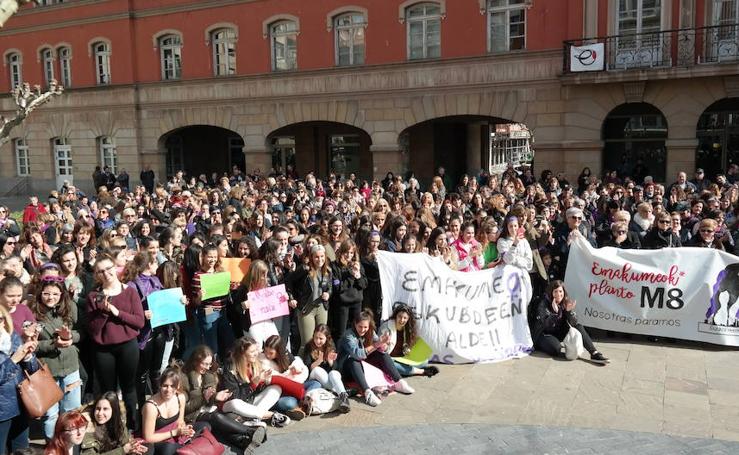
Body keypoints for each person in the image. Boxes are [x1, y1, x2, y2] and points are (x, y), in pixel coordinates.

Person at [86, 255, 145, 431]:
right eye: (101, 271)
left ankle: (134, 426)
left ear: (115, 268)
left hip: (128, 346)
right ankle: (112, 428)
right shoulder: (93, 296)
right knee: (108, 391)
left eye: (109, 268)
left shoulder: (130, 291)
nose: (106, 273)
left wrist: (117, 312)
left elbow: (139, 322)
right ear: (97, 275)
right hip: (104, 349)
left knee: (128, 388)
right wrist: (104, 312)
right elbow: (93, 329)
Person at [179, 346, 266, 451]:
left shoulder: (208, 375)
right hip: (192, 416)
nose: (207, 367)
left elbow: (210, 397)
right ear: (195, 361)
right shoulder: (184, 378)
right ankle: (250, 432)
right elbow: (185, 408)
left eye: (209, 364)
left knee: (220, 423)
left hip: (208, 410)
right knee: (215, 418)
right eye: (204, 364)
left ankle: (243, 442)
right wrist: (206, 397)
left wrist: (216, 396)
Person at [31, 277, 82, 440]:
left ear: (61, 293)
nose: (51, 297)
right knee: (51, 414)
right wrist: (53, 344)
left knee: (71, 411)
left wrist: (70, 337)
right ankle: (52, 446)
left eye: (55, 293)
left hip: (70, 367)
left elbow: (82, 332)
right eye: (46, 293)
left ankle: (70, 446)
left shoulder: (70, 307)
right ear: (40, 293)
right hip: (47, 370)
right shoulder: (32, 312)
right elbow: (31, 345)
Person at [336, 310, 414, 407]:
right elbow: (358, 354)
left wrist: (384, 344)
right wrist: (378, 344)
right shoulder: (348, 335)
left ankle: (399, 382)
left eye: (365, 327)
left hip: (363, 365)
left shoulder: (370, 331)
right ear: (355, 324)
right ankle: (367, 392)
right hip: (347, 369)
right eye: (360, 326)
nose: (363, 329)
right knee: (353, 360)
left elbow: (379, 345)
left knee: (382, 354)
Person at [531, 281, 609, 364]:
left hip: (559, 332)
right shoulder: (543, 303)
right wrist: (554, 313)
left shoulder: (564, 302)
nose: (558, 294)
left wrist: (569, 312)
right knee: (555, 349)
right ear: (551, 292)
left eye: (560, 291)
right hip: (545, 333)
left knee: (578, 326)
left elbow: (574, 322)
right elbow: (546, 325)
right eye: (555, 291)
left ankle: (594, 353)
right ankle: (541, 345)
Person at [219, 337, 291, 427]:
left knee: (276, 388)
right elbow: (235, 396)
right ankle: (271, 415)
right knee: (235, 403)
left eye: (256, 350)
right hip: (232, 405)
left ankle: (253, 419)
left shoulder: (255, 364)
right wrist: (254, 383)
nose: (256, 354)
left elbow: (255, 393)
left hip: (250, 403)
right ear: (242, 353)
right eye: (252, 352)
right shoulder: (230, 368)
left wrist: (263, 381)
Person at [0, 304, 39, 455]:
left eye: (0, 319)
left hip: (21, 403)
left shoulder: (12, 337)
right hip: (2, 411)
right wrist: (14, 359)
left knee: (22, 450)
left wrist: (28, 356)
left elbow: (33, 370)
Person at [140, 368, 204, 455]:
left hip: (175, 432)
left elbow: (180, 421)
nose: (168, 390)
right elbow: (148, 437)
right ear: (160, 385)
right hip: (158, 439)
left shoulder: (180, 397)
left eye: (172, 386)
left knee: (205, 426)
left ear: (177, 386)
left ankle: (185, 448)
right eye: (165, 386)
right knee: (168, 449)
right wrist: (174, 433)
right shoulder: (151, 407)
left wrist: (186, 430)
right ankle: (187, 448)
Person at [288, 244, 332, 348]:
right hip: (306, 308)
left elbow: (329, 286)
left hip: (322, 307)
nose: (319, 259)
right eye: (316, 256)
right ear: (311, 257)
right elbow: (289, 281)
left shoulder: (327, 271)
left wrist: (328, 293)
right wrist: (291, 298)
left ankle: (318, 363)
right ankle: (304, 363)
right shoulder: (304, 269)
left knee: (322, 341)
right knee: (307, 343)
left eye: (322, 256)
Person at [300, 324, 350, 413]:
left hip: (328, 378)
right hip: (315, 376)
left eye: (321, 339)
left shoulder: (330, 346)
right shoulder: (309, 346)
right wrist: (319, 361)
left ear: (327, 338)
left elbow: (335, 368)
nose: (317, 341)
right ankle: (342, 391)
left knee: (334, 373)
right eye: (316, 337)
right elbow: (308, 367)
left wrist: (331, 361)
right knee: (317, 370)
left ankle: (344, 398)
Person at [378, 304, 438, 378]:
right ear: (395, 316)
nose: (402, 320)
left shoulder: (408, 328)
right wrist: (384, 344)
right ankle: (422, 371)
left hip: (402, 359)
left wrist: (409, 352)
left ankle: (406, 370)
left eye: (405, 318)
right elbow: (380, 348)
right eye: (400, 316)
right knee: (391, 365)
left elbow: (407, 347)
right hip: (389, 358)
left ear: (408, 318)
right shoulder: (386, 327)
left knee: (425, 361)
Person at [81, 392, 148, 455]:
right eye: (98, 409)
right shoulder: (88, 426)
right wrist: (122, 450)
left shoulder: (118, 421)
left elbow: (125, 443)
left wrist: (134, 448)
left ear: (114, 411)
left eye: (105, 409)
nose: (100, 413)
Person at [328, 239, 366, 342]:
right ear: (341, 252)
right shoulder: (334, 266)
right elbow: (337, 287)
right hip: (342, 304)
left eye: (351, 253)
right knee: (341, 332)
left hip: (357, 303)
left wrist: (358, 276)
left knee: (356, 331)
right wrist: (350, 276)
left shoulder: (358, 264)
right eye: (346, 252)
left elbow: (364, 285)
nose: (349, 255)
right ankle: (340, 356)